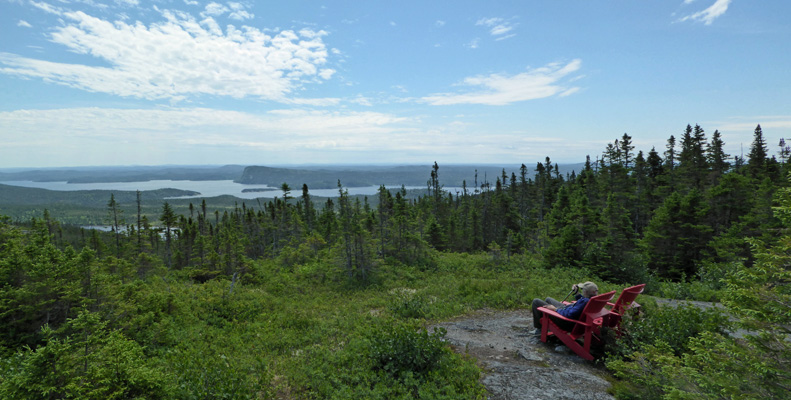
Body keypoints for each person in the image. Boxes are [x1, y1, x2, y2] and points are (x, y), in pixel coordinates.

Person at [531, 281, 599, 334]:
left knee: (536, 302)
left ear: (586, 292)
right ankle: (544, 326)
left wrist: (555, 309)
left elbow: (569, 315)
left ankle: (539, 329)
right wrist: (577, 293)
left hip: (565, 321)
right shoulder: (590, 300)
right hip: (568, 312)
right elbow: (581, 302)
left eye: (582, 289)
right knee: (548, 299)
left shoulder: (584, 302)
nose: (582, 290)